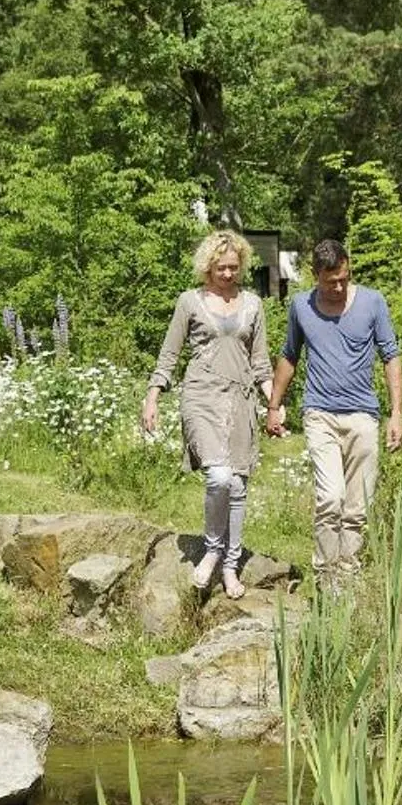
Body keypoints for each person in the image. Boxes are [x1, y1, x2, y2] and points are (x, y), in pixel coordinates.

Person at [143, 231, 275, 600]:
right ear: (207, 266)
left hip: (240, 400)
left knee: (237, 486)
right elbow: (170, 353)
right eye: (222, 268)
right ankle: (213, 549)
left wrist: (274, 405)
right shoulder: (190, 301)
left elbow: (261, 363)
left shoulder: (253, 304)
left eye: (235, 267)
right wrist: (153, 395)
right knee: (217, 476)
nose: (229, 274)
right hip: (201, 397)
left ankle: (231, 566)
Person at [265, 239, 402, 585]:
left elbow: (390, 356)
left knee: (358, 508)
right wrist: (273, 406)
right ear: (316, 276)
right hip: (320, 414)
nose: (339, 286)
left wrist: (397, 412)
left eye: (344, 277)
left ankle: (348, 579)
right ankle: (326, 579)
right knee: (331, 498)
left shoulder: (373, 302)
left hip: (363, 416)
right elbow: (289, 356)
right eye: (331, 281)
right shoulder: (301, 306)